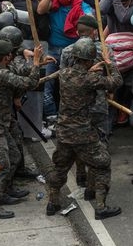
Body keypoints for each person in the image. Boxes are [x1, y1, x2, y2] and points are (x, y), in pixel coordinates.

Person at [45, 38, 123, 219]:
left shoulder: (64, 74)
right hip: (83, 133)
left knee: (60, 167)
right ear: (89, 59)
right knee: (102, 164)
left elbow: (77, 77)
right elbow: (115, 81)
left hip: (64, 131)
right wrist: (110, 64)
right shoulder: (91, 78)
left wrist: (90, 71)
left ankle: (52, 202)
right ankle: (101, 206)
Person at [0, 39, 46, 218]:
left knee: (14, 156)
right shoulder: (0, 74)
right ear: (6, 57)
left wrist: (32, 61)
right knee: (1, 164)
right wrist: (36, 63)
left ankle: (4, 191)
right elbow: (29, 83)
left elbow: (19, 72)